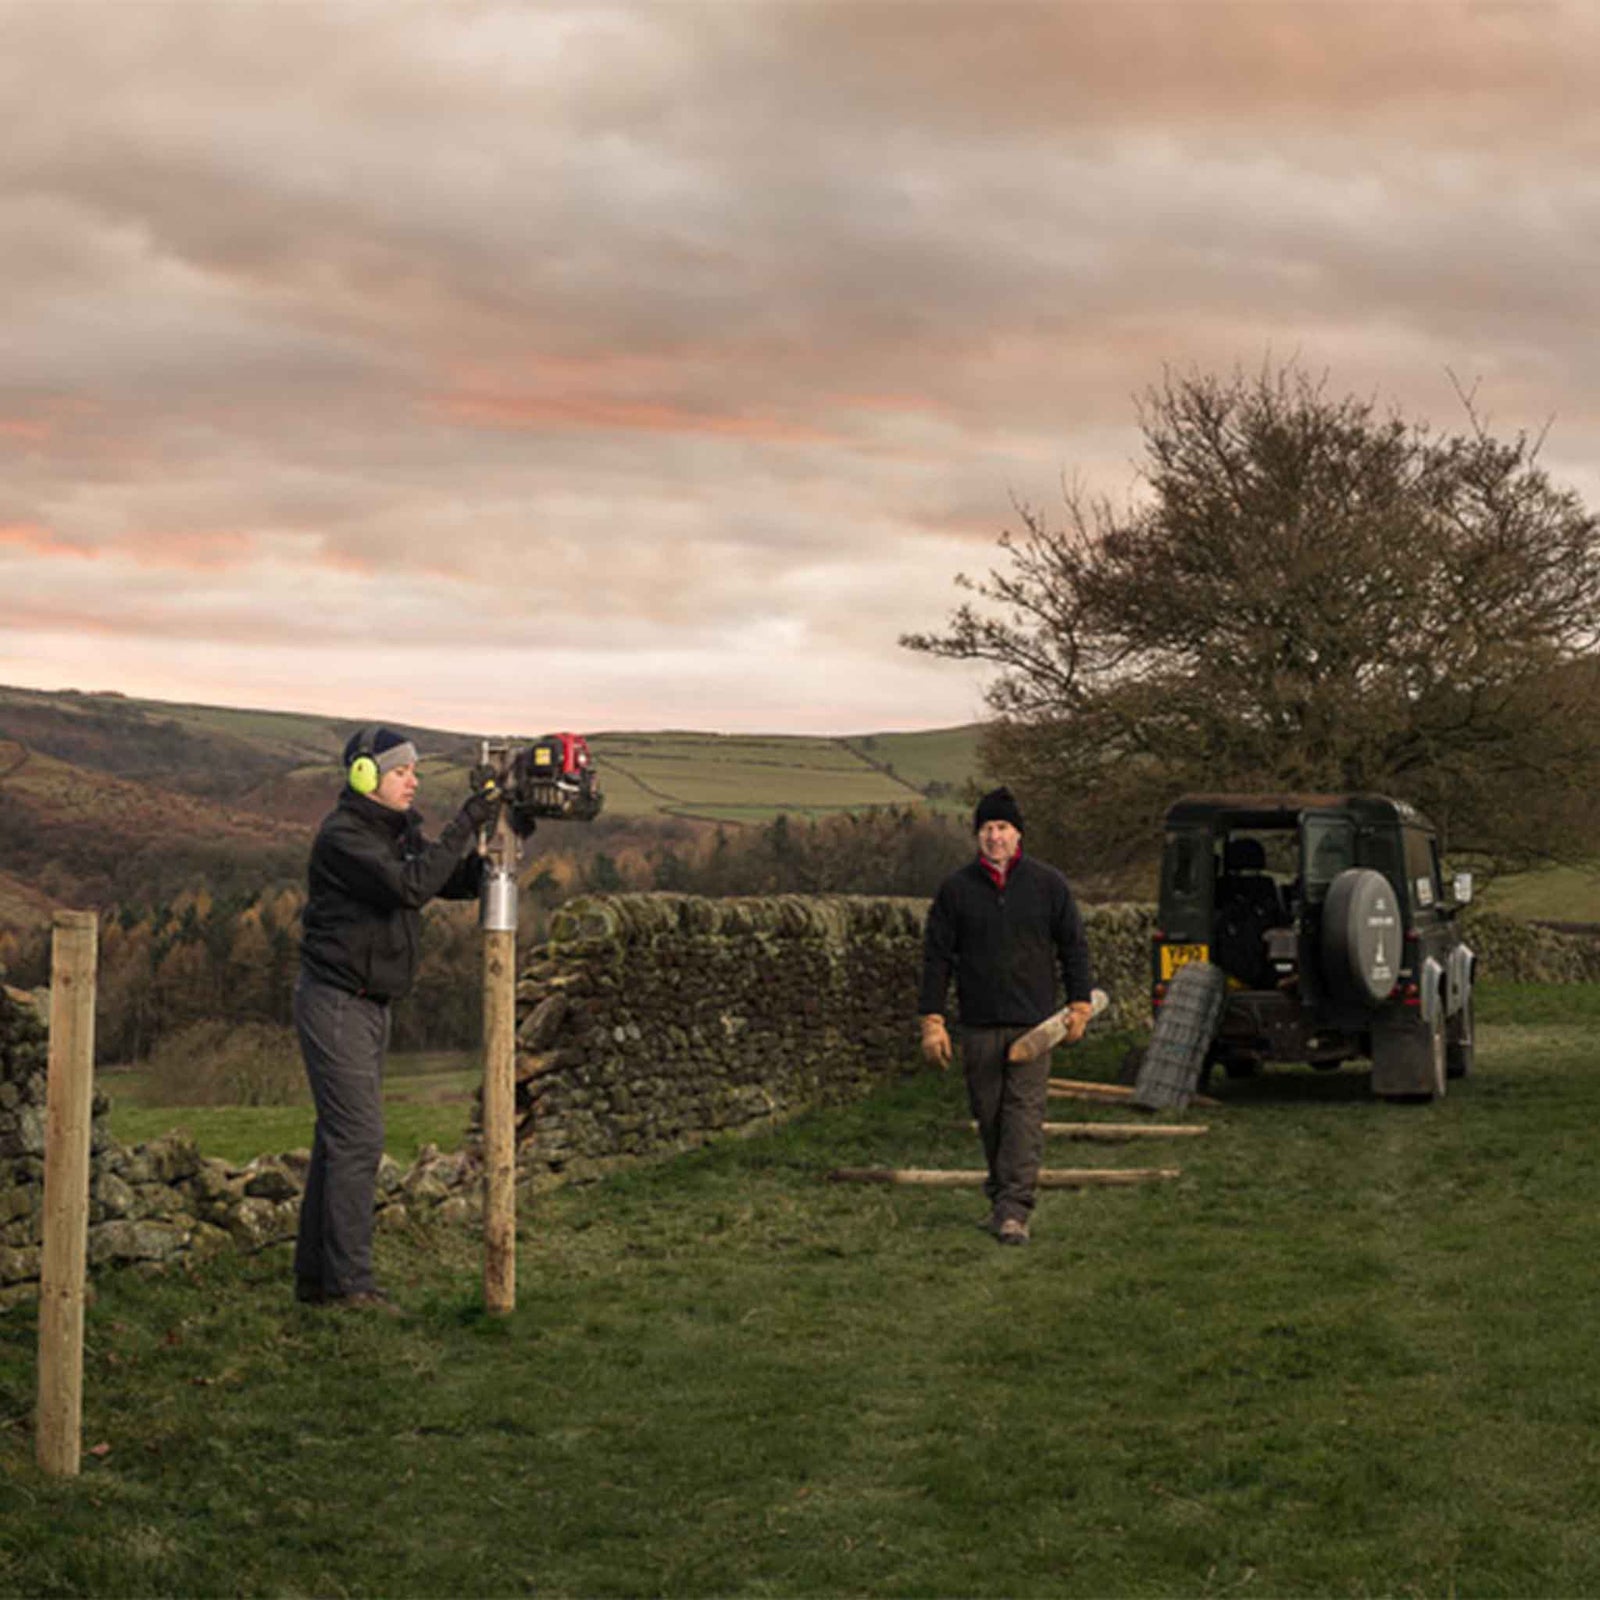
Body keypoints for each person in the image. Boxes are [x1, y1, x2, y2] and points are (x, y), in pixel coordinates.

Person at [292, 725, 499, 1309]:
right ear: (365, 776)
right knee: (359, 1140)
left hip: (368, 1004)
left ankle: (317, 1283)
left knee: (337, 1144)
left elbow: (441, 882)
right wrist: (466, 822)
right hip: (336, 1002)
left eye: (415, 771)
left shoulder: (394, 830)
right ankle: (351, 1287)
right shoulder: (344, 838)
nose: (413, 780)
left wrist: (491, 849)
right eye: (402, 771)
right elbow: (409, 887)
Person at [918, 786, 1095, 1245]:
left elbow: (1073, 947)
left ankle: (1016, 1209)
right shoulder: (956, 890)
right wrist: (932, 1020)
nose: (995, 837)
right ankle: (1002, 1201)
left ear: (1019, 834)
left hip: (1035, 1025)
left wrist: (1079, 1006)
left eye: (1003, 827)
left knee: (1023, 1114)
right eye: (987, 828)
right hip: (978, 1024)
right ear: (978, 835)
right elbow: (937, 958)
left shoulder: (1048, 884)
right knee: (991, 1117)